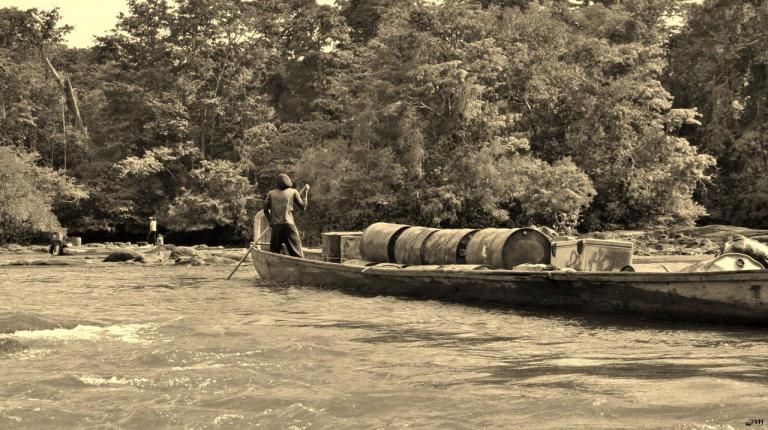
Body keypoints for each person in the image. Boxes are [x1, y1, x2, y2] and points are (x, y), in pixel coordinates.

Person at [263, 173, 309, 258]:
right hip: (289, 226)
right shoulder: (293, 191)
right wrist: (306, 192)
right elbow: (303, 207)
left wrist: (271, 222)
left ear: (277, 183)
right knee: (297, 254)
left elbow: (265, 210)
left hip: (276, 227)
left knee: (274, 254)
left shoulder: (271, 194)